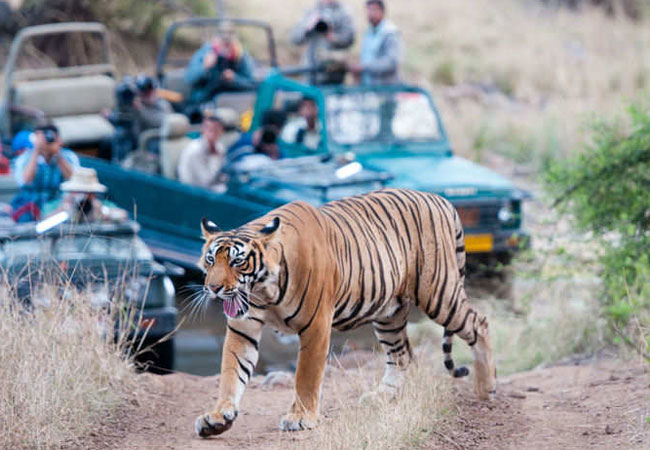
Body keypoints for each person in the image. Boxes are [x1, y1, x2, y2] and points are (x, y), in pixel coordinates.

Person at [10, 124, 79, 223]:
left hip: (56, 202)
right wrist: (36, 151)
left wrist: (57, 154)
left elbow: (74, 179)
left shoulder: (68, 156)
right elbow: (25, 181)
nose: (46, 140)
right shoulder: (25, 158)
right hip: (31, 203)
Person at [184, 24, 256, 112]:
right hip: (205, 102)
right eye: (222, 40)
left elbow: (252, 83)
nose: (225, 47)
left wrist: (234, 78)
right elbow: (189, 79)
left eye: (228, 42)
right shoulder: (205, 53)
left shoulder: (241, 56)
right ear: (215, 39)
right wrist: (204, 67)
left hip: (232, 104)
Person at [290, 0, 355, 85]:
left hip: (334, 72)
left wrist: (333, 37)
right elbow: (295, 39)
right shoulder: (312, 11)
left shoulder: (343, 12)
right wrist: (308, 27)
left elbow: (350, 39)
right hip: (311, 70)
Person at [348, 0, 402, 85]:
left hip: (385, 88)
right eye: (369, 10)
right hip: (369, 86)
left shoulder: (389, 33)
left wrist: (365, 67)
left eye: (374, 10)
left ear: (382, 11)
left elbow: (391, 62)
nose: (370, 13)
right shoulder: (368, 33)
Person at [177, 110, 228, 191]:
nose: (213, 134)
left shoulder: (219, 147)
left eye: (216, 131)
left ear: (221, 132)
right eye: (210, 130)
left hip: (209, 188)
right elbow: (205, 182)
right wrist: (215, 158)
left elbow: (222, 173)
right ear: (203, 130)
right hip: (192, 192)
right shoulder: (194, 150)